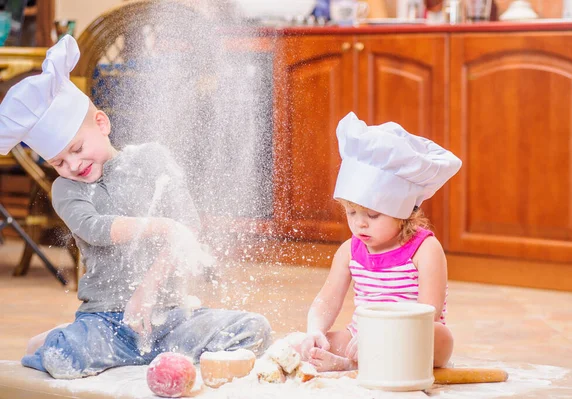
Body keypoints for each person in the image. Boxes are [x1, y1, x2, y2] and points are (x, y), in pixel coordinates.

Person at [0, 35, 271, 379]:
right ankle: (64, 339)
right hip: (108, 321)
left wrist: (148, 289)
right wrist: (161, 226)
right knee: (60, 357)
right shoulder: (66, 190)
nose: (72, 164)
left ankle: (148, 352)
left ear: (101, 124)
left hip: (170, 316)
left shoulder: (154, 159)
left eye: (78, 148)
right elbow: (96, 229)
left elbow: (187, 225)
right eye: (58, 161)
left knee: (253, 329)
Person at [298, 112, 461, 372]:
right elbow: (328, 300)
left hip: (411, 335)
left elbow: (427, 312)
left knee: (440, 336)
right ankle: (352, 361)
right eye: (351, 213)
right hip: (360, 338)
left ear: (403, 212)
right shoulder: (349, 251)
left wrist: (382, 338)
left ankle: (350, 365)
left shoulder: (425, 250)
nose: (360, 223)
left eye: (372, 215)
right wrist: (314, 330)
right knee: (300, 347)